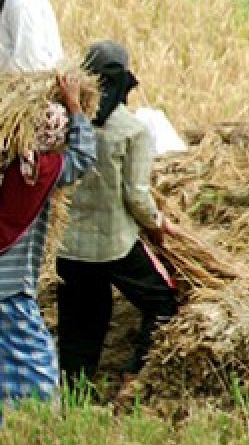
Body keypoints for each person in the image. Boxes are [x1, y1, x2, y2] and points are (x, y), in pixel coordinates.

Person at [0, 74, 97, 410]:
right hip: (5, 291)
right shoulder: (34, 175)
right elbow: (83, 157)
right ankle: (35, 421)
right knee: (36, 368)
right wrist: (75, 107)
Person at [56, 41, 180, 387]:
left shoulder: (64, 123)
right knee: (162, 302)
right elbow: (136, 196)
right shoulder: (132, 131)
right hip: (114, 245)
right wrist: (160, 226)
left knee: (81, 322)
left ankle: (72, 390)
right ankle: (134, 373)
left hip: (69, 248)